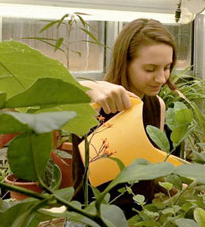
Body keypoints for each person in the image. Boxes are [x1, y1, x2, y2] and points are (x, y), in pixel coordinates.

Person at [73, 18, 178, 218]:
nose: (162, 78)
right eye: (150, 69)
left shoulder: (157, 105)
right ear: (125, 62)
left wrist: (174, 185)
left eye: (167, 67)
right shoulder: (93, 104)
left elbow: (147, 172)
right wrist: (87, 87)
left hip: (140, 217)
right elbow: (50, 99)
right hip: (90, 218)